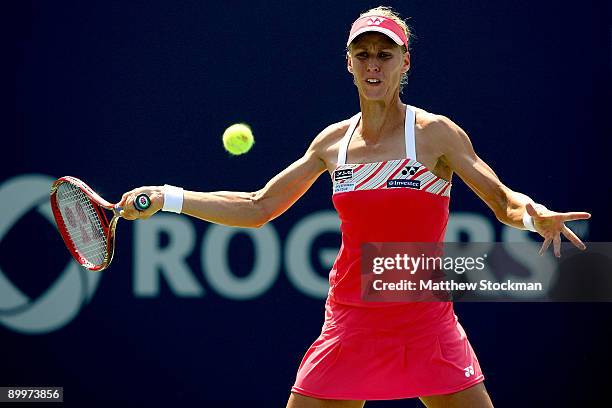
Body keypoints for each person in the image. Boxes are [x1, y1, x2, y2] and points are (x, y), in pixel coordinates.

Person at [118, 6, 591, 407]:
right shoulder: (331, 143)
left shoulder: (434, 134)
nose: (374, 65)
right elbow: (258, 205)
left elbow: (502, 200)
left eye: (385, 55)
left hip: (426, 324)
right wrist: (167, 197)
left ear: (405, 62)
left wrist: (533, 215)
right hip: (350, 324)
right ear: (348, 63)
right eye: (362, 54)